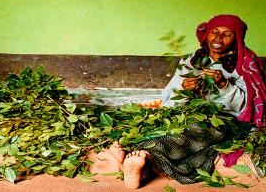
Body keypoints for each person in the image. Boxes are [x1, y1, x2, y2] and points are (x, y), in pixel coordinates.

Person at [110, 14, 266, 189]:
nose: (219, 37)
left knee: (203, 130)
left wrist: (224, 85)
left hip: (229, 121)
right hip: (190, 114)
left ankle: (142, 156)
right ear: (206, 34)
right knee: (185, 140)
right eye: (214, 32)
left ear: (236, 38)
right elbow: (168, 101)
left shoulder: (245, 65)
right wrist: (184, 91)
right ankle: (140, 166)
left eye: (227, 33)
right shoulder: (191, 61)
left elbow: (248, 108)